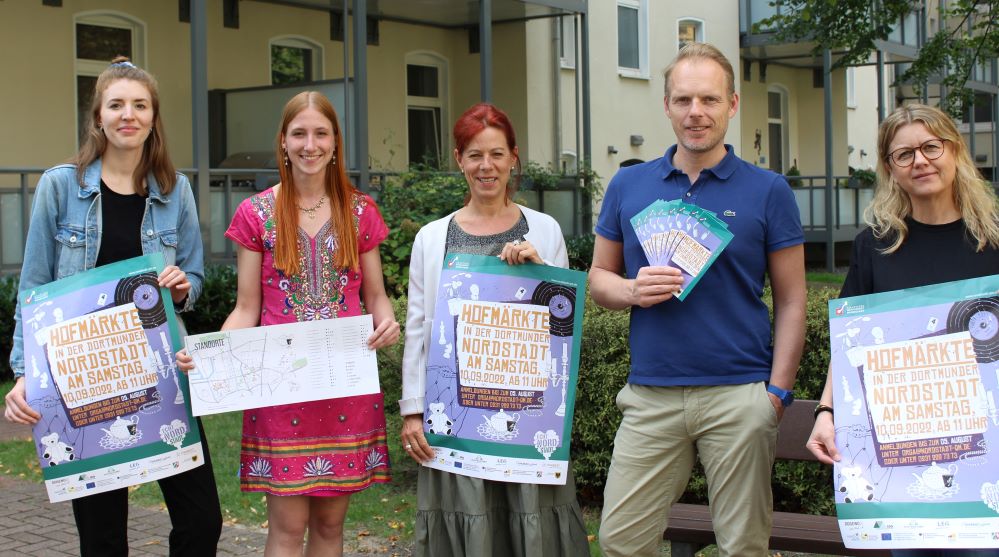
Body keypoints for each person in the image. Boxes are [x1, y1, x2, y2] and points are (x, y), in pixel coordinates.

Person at [588, 42, 807, 557]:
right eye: (683, 100)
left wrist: (775, 395)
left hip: (739, 394)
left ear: (732, 105)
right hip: (651, 394)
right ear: (666, 105)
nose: (696, 113)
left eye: (709, 100)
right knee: (621, 542)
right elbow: (599, 277)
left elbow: (793, 299)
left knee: (743, 547)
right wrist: (631, 290)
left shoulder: (769, 190)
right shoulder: (629, 184)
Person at [3, 57, 222, 556]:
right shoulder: (61, 186)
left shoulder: (175, 190)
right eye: (117, 104)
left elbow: (197, 276)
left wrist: (184, 285)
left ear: (153, 116)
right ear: (98, 117)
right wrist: (24, 373)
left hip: (164, 372)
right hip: (87, 377)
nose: (129, 115)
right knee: (102, 537)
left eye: (140, 105)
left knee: (202, 520)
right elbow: (34, 286)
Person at [178, 90, 399, 557]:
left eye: (321, 133)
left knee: (330, 527)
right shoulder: (255, 213)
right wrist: (210, 354)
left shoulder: (360, 212)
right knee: (287, 525)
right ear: (283, 141)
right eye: (299, 133)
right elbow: (246, 308)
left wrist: (386, 323)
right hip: (280, 386)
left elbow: (375, 295)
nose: (310, 144)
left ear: (336, 142)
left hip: (345, 383)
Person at [806, 104, 999, 557]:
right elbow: (850, 339)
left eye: (932, 147)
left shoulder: (993, 239)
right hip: (903, 447)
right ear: (890, 168)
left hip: (986, 449)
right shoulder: (874, 244)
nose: (921, 161)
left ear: (955, 151)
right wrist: (825, 411)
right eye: (905, 154)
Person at [398, 102, 590, 557]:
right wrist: (411, 410)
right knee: (469, 523)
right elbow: (419, 328)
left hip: (526, 414)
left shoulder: (543, 230)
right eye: (475, 155)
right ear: (459, 160)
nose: (487, 166)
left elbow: (564, 327)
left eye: (497, 154)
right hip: (457, 414)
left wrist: (541, 271)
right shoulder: (432, 237)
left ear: (514, 158)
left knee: (530, 527)